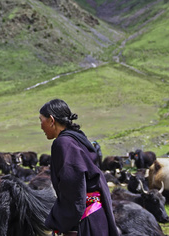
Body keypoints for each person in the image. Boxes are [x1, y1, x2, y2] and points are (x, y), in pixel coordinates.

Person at [39, 99, 120, 236]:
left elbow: (73, 188)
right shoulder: (79, 139)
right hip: (98, 216)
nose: (41, 126)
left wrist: (64, 222)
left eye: (41, 120)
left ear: (52, 120)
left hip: (83, 221)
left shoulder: (62, 143)